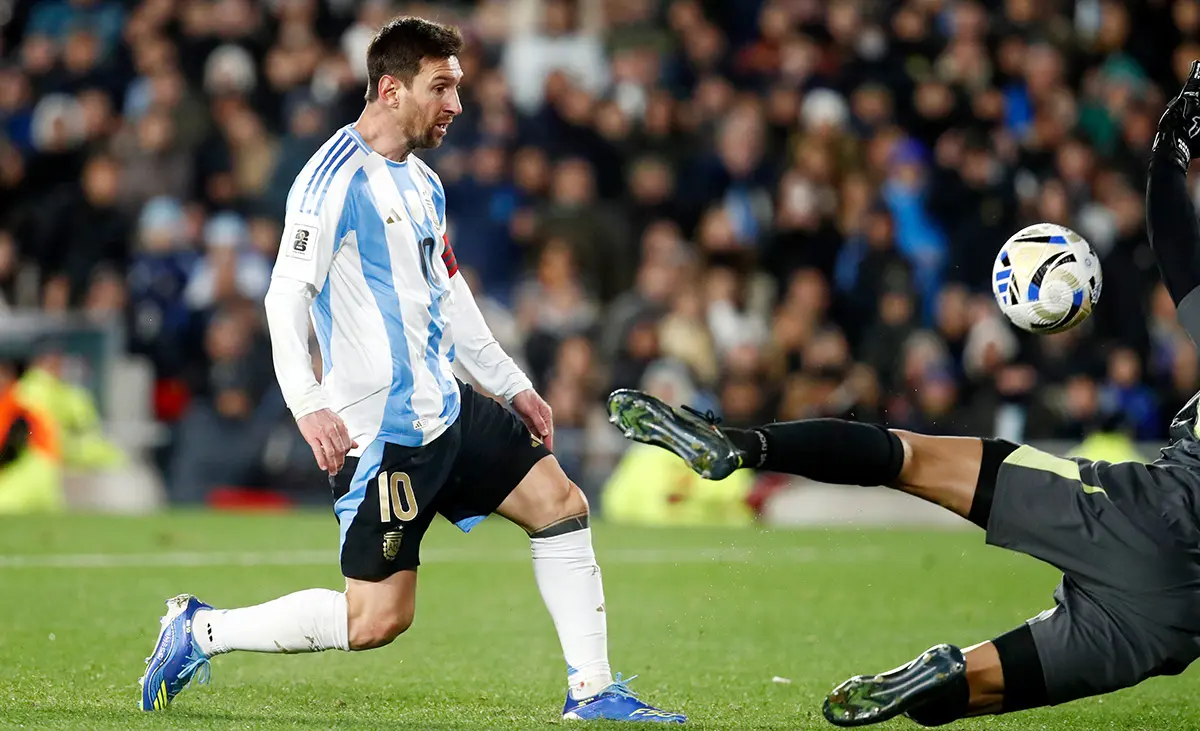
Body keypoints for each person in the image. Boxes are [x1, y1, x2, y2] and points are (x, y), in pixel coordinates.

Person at [605, 63, 1200, 729]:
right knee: (974, 691)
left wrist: (1170, 146)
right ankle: (948, 672)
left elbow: (1176, 242)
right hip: (1174, 623)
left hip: (1148, 514)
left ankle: (741, 443)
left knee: (906, 458)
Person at [139, 17, 684, 724]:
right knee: (376, 619)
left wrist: (512, 384)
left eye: (457, 87)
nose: (456, 104)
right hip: (382, 434)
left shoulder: (423, 182)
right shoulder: (329, 182)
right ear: (391, 90)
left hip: (446, 408)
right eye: (441, 87)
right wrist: (307, 403)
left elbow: (449, 291)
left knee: (561, 504)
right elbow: (284, 296)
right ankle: (200, 630)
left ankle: (593, 691)